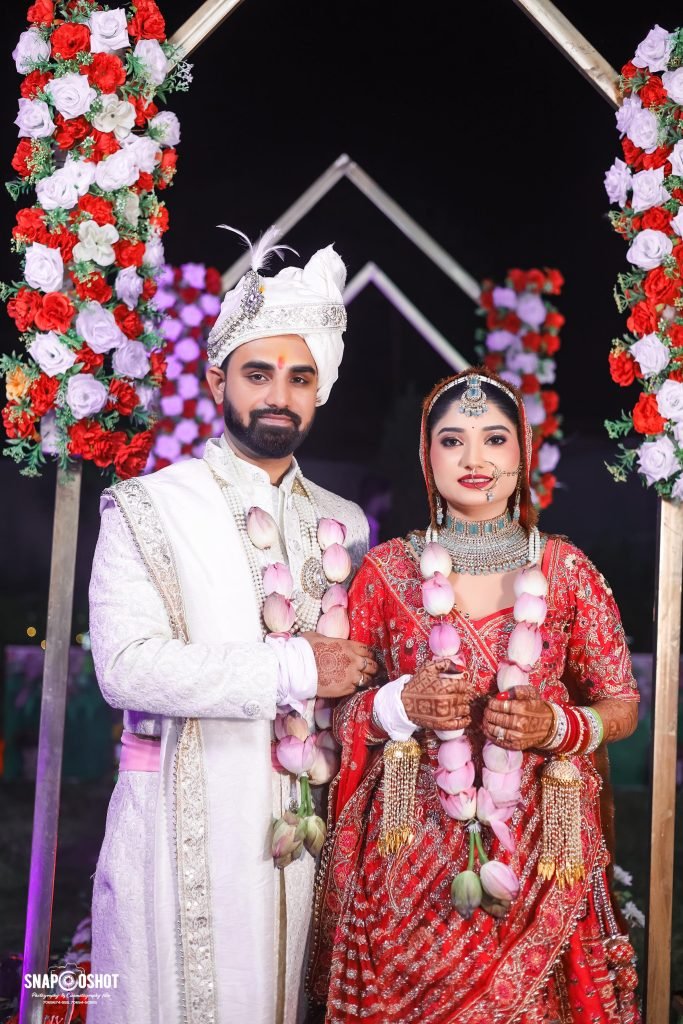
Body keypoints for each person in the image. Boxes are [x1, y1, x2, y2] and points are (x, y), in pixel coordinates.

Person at [88, 230, 378, 1024]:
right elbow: (125, 667)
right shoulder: (148, 507)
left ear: (320, 391)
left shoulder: (346, 524)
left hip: (303, 834)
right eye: (258, 373)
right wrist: (294, 669)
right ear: (218, 379)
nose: (278, 394)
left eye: (299, 377)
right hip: (178, 825)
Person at [309, 368, 641, 1023]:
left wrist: (556, 727)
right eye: (452, 441)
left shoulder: (566, 572)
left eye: (493, 439)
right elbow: (338, 711)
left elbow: (621, 704)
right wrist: (400, 706)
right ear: (426, 456)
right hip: (405, 857)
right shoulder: (386, 572)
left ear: (521, 451)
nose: (473, 459)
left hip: (540, 851)